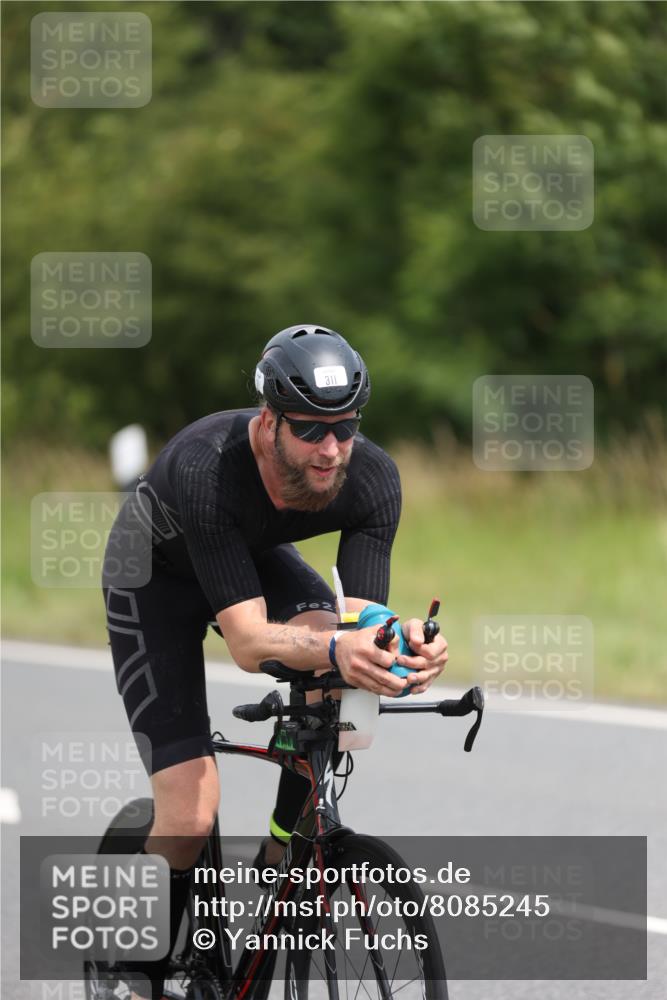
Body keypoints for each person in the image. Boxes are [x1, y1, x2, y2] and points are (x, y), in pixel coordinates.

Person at [102, 324, 448, 998]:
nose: (330, 449)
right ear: (269, 422)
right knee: (189, 815)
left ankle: (282, 848)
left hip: (247, 559)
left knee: (337, 677)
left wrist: (402, 644)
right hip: (153, 580)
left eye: (344, 428)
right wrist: (334, 647)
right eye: (311, 430)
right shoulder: (207, 465)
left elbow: (359, 625)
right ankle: (133, 975)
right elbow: (248, 642)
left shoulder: (372, 478)